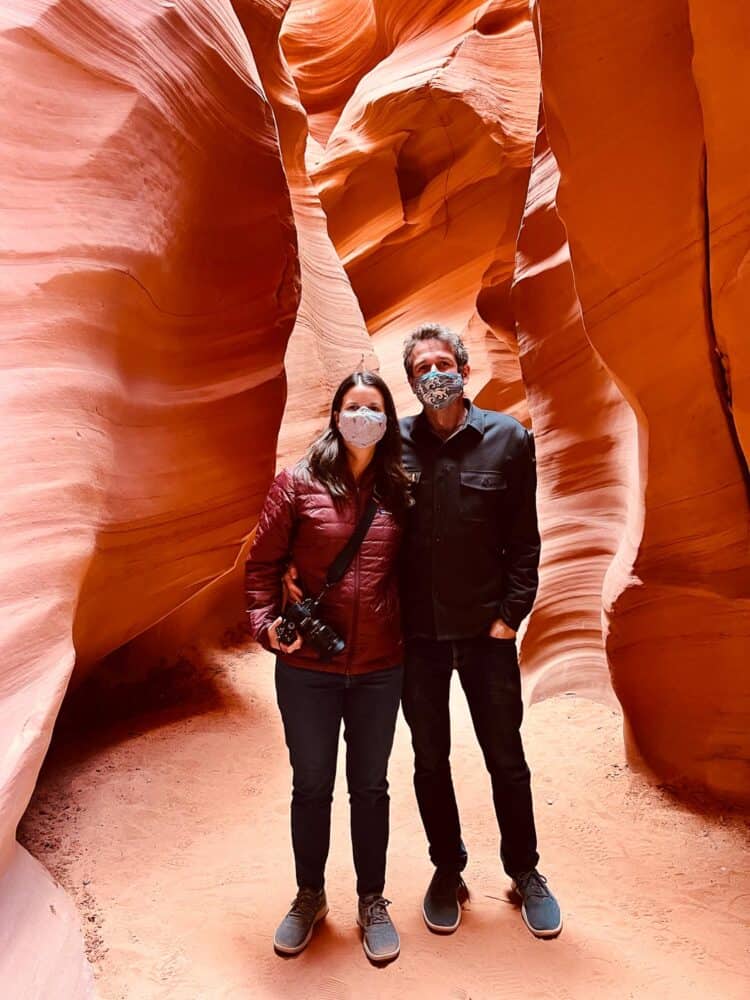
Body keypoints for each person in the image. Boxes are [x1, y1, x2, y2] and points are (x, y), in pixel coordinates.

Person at [397, 322, 562, 939]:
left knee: (505, 757)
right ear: (412, 382)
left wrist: (509, 616)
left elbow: (524, 540)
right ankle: (448, 870)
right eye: (421, 369)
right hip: (417, 636)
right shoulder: (396, 444)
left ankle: (525, 872)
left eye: (443, 363)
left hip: (485, 632)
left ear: (463, 370)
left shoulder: (509, 439)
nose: (433, 375)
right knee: (429, 759)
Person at [244, 370, 411, 963]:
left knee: (370, 787)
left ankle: (373, 900)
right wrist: (267, 627)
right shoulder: (296, 483)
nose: (362, 416)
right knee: (312, 785)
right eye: (352, 407)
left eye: (373, 408)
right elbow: (261, 567)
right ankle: (309, 896)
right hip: (309, 668)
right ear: (335, 415)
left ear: (388, 419)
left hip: (378, 668)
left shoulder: (401, 488)